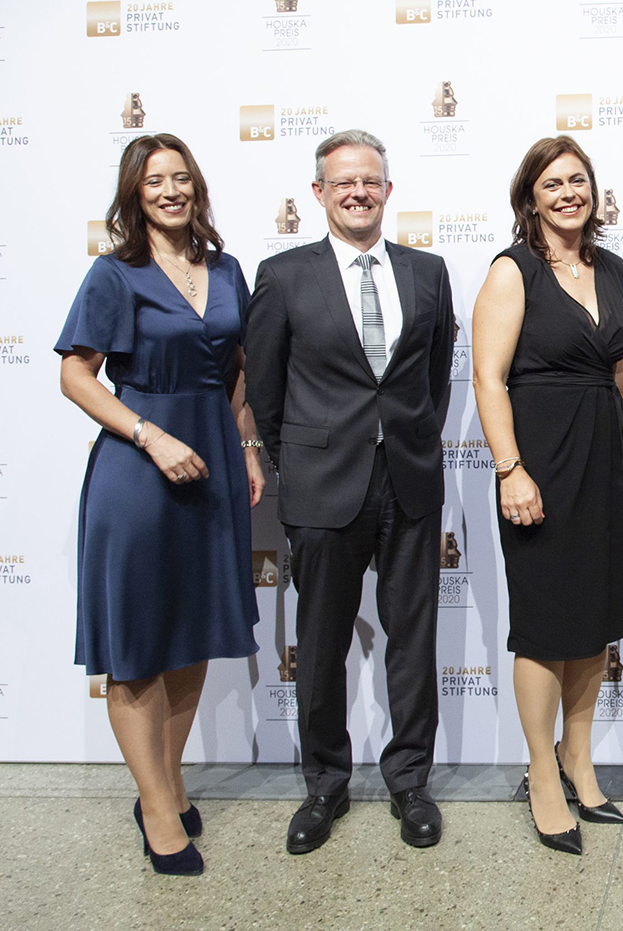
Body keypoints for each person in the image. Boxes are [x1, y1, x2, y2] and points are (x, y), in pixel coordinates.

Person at [56, 134, 264, 876]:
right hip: (139, 472)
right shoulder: (116, 274)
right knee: (139, 648)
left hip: (211, 462)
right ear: (134, 193)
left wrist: (242, 443)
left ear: (196, 186)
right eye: (154, 181)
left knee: (194, 634)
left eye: (180, 177)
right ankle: (153, 807)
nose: (170, 190)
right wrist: (149, 435)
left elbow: (239, 369)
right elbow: (76, 377)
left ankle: (169, 780)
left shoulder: (227, 267)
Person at [245, 129, 456, 855]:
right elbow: (266, 391)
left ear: (388, 190)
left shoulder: (427, 273)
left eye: (370, 180)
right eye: (344, 184)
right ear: (319, 194)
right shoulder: (281, 275)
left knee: (412, 640)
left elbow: (430, 381)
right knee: (323, 642)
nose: (359, 192)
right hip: (321, 487)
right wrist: (295, 460)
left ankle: (409, 782)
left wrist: (407, 443)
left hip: (409, 482)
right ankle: (325, 785)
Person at [471, 136, 623, 856]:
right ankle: (541, 772)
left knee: (594, 616)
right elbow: (487, 378)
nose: (568, 192)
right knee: (543, 624)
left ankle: (579, 756)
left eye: (578, 180)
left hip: (602, 459)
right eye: (552, 183)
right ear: (529, 197)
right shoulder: (513, 271)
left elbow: (616, 365)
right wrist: (511, 469)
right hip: (539, 456)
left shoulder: (614, 267)